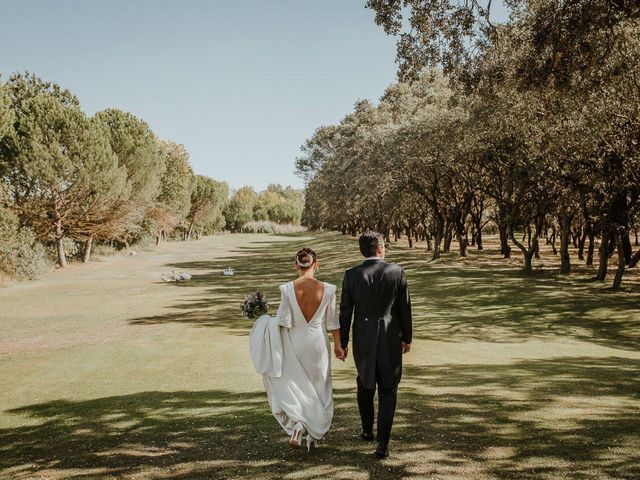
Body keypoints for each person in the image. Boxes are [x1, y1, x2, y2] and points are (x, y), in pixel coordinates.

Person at [249, 247, 342, 451]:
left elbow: (284, 321)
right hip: (318, 344)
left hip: (296, 342)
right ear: (316, 265)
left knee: (297, 386)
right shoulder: (328, 289)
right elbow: (333, 322)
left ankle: (298, 423)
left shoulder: (288, 289)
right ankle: (313, 438)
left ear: (296, 266)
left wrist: (265, 321)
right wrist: (339, 346)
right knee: (319, 389)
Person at [337, 231, 412, 458]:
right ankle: (383, 444)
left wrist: (343, 342)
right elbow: (404, 309)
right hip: (391, 337)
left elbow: (345, 312)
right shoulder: (397, 272)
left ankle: (367, 430)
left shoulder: (351, 275)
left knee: (365, 383)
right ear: (380, 248)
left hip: (363, 337)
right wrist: (407, 338)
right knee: (388, 389)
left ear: (363, 250)